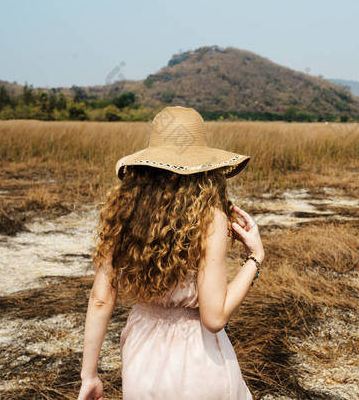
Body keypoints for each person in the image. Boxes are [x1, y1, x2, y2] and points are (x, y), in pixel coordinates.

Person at [77, 106, 264, 400]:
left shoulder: (123, 213)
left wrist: (89, 375)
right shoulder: (209, 217)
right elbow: (214, 318)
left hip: (142, 355)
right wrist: (254, 259)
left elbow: (101, 300)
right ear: (205, 166)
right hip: (200, 359)